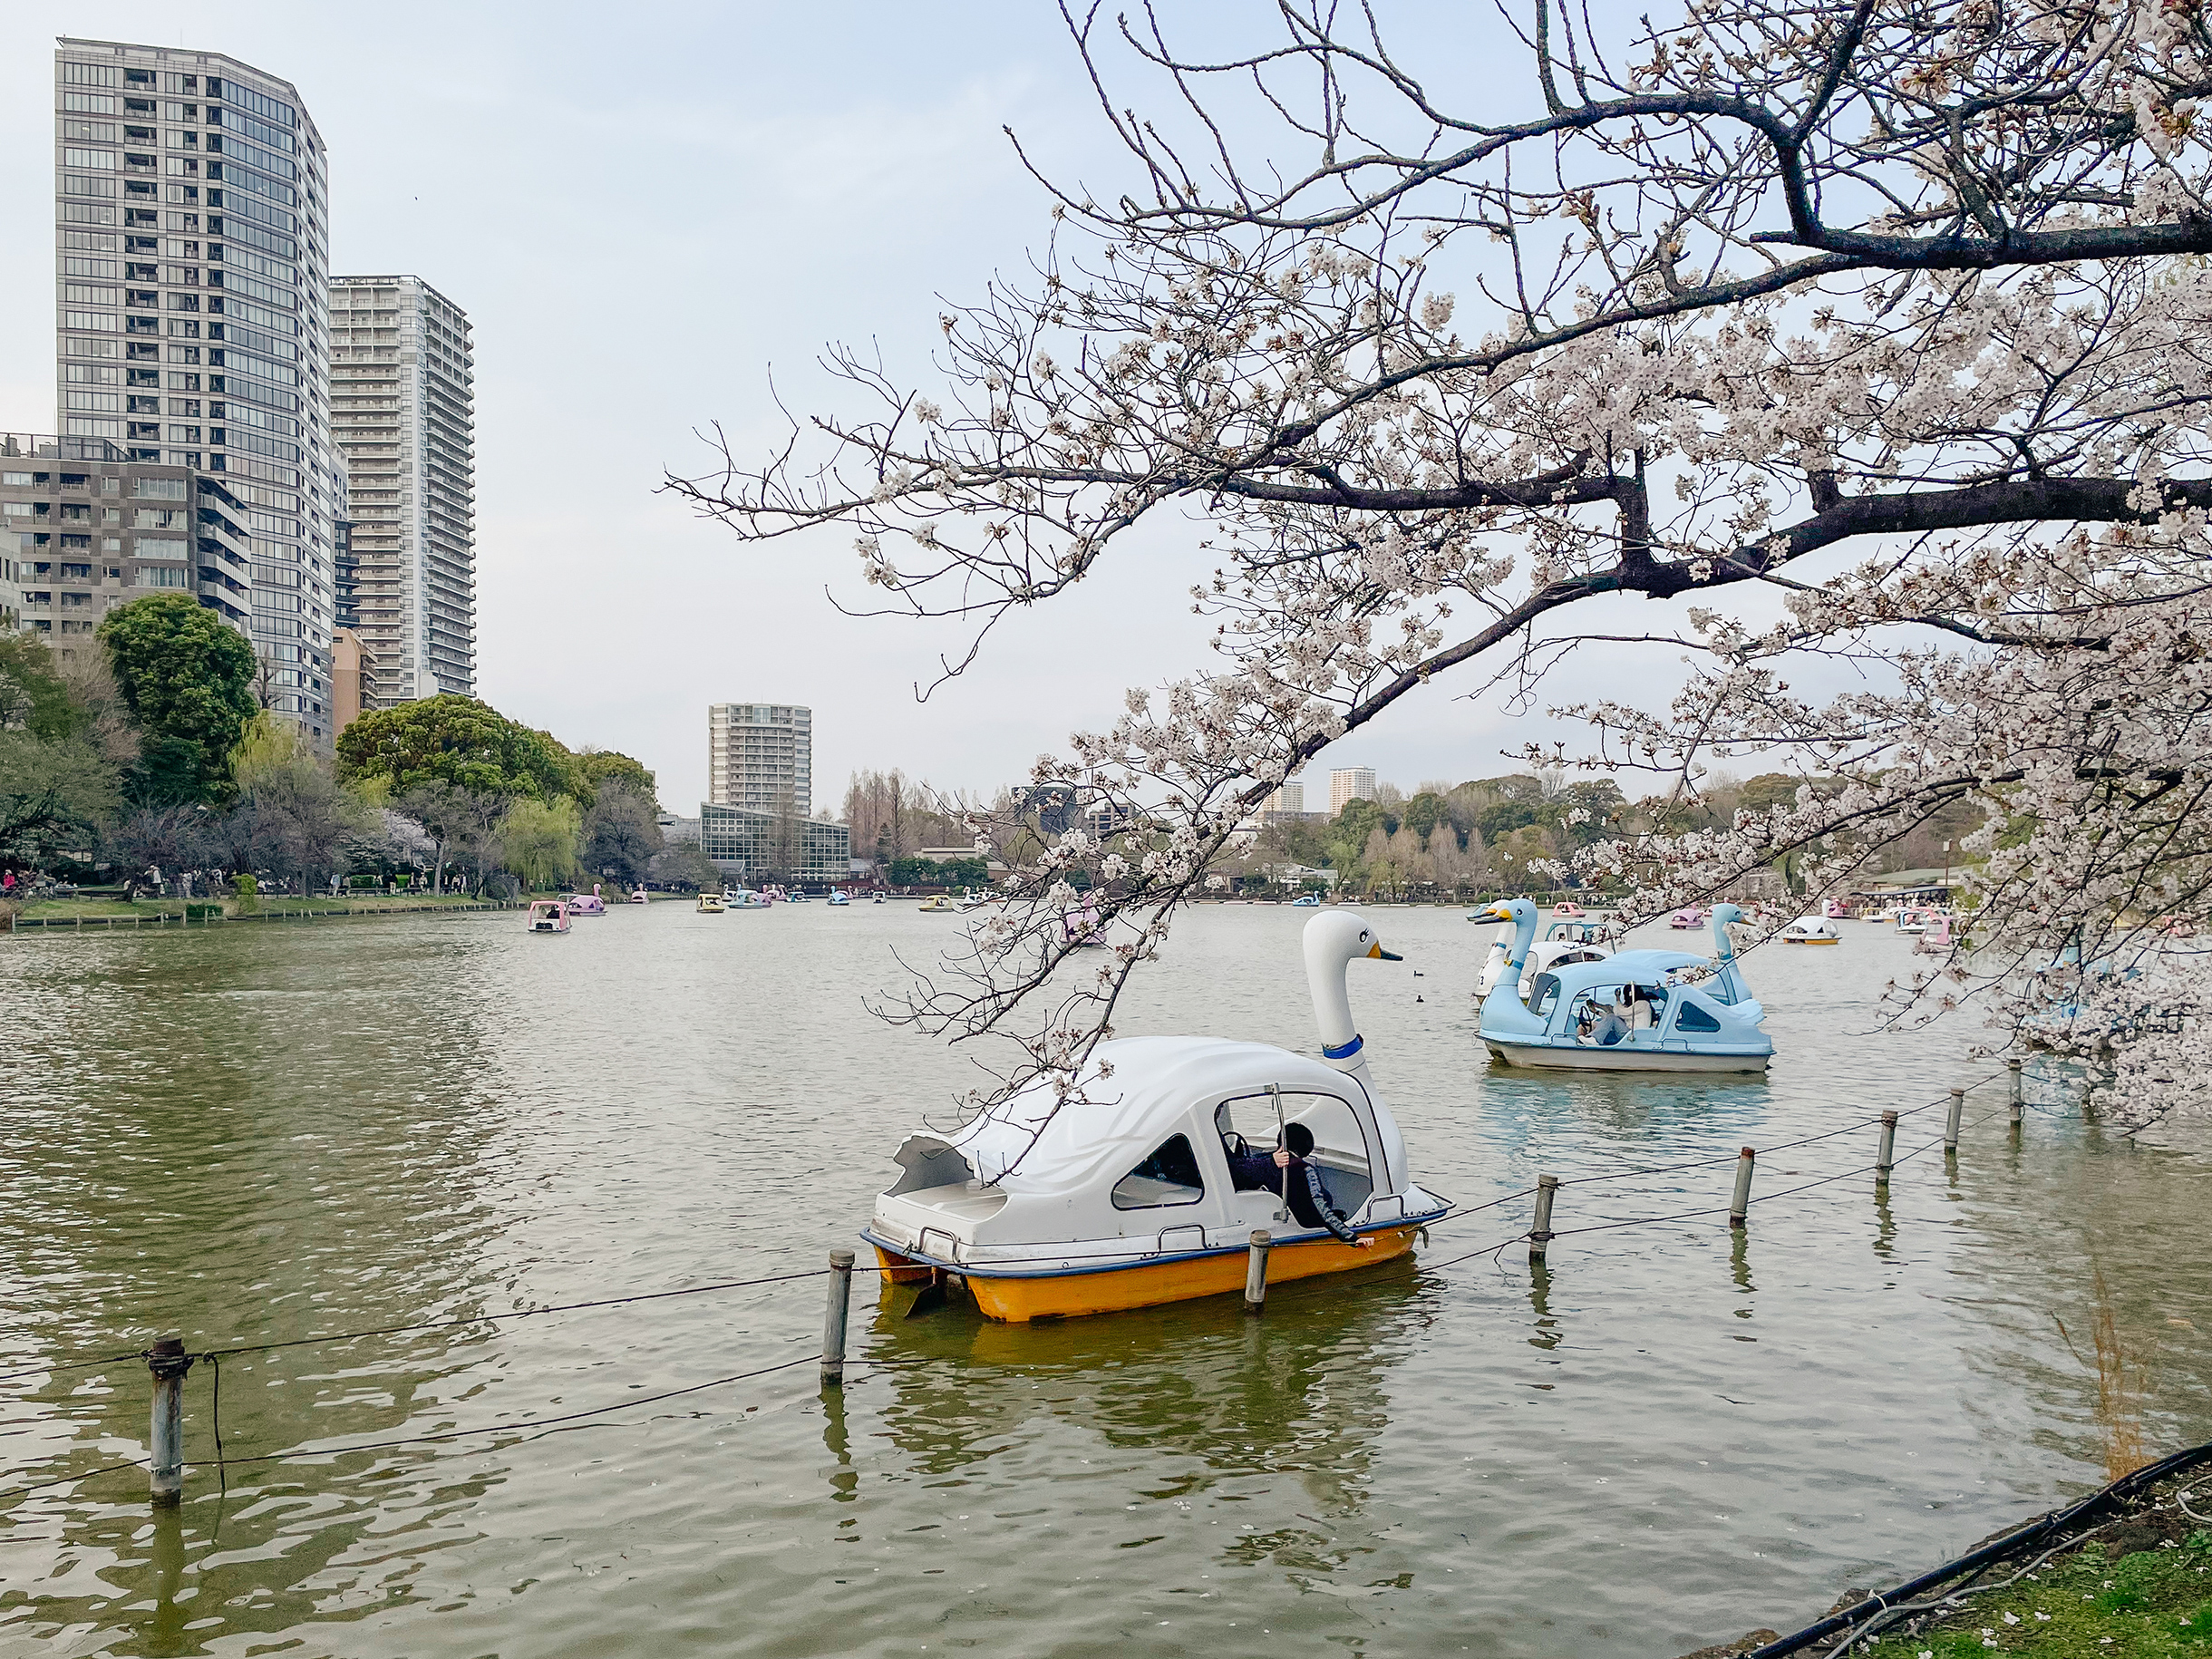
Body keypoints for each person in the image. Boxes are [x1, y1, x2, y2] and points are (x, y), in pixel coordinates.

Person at [1225, 1121, 1372, 1247]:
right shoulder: (1306, 1170)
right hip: (1307, 1221)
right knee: (1337, 1213)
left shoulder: (1266, 1163)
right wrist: (1352, 1238)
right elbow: (1322, 1210)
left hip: (1279, 1217)